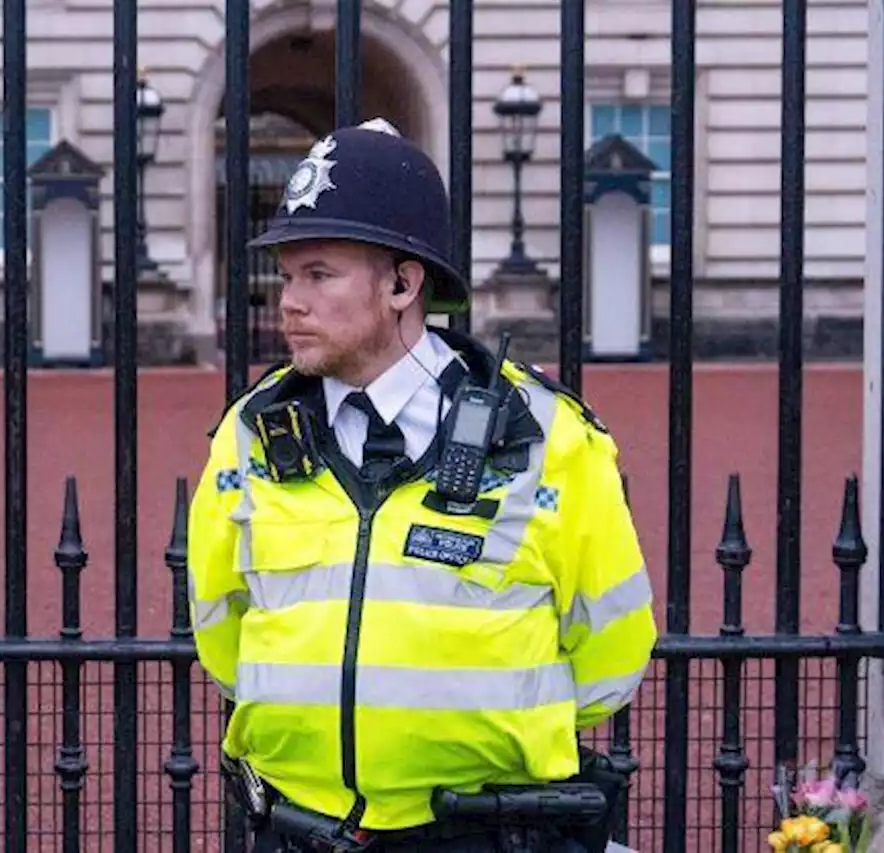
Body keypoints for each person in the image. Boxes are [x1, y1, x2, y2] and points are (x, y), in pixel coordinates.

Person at [187, 117, 657, 852]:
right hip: (295, 827)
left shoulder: (547, 435)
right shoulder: (250, 433)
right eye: (287, 276)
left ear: (404, 283)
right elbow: (220, 625)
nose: (288, 302)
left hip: (486, 832)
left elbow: (613, 650)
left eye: (318, 273)